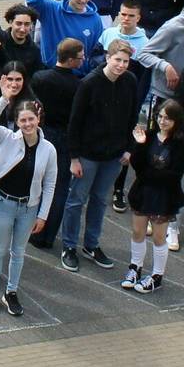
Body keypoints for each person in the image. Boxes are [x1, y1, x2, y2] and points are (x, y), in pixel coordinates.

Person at [0, 74, 57, 318]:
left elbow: (51, 183)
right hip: (3, 203)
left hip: (28, 208)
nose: (27, 124)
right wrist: (4, 98)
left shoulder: (49, 149)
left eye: (31, 119)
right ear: (17, 122)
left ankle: (11, 292)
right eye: (23, 120)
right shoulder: (8, 139)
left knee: (18, 252)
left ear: (38, 119)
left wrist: (42, 215)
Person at [57, 41, 138, 271]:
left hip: (113, 155)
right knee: (76, 200)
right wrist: (74, 158)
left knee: (100, 200)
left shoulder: (130, 82)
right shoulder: (89, 83)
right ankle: (69, 245)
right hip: (87, 155)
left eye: (125, 61)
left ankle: (91, 244)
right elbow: (75, 123)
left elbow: (133, 118)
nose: (121, 65)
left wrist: (129, 148)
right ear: (107, 57)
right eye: (117, 60)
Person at [121, 100, 184, 291]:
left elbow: (174, 174)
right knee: (138, 231)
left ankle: (157, 275)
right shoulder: (148, 136)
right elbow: (137, 164)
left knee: (159, 237)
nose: (163, 121)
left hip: (164, 195)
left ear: (176, 120)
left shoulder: (180, 144)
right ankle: (135, 268)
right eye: (160, 116)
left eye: (167, 118)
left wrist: (149, 174)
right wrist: (140, 145)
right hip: (143, 191)